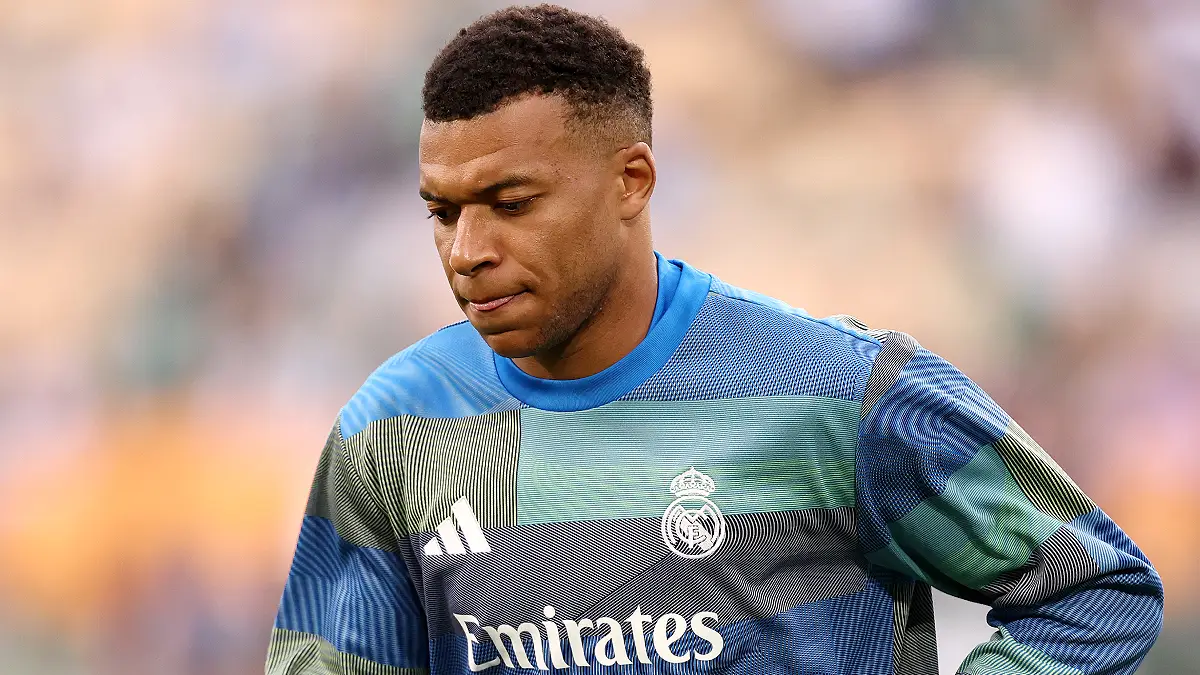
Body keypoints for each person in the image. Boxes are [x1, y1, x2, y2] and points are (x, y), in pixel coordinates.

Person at [265, 5, 1163, 674]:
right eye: (442, 211)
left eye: (511, 204)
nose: (467, 253)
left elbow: (1095, 589)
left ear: (633, 180)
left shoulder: (832, 391)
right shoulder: (392, 432)